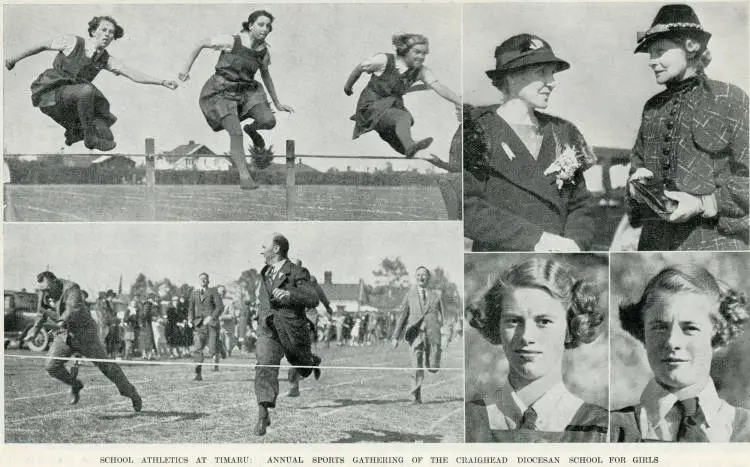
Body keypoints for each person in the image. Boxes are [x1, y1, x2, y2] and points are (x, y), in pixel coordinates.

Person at [624, 4, 749, 251]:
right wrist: (635, 188)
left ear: (691, 47)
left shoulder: (729, 99)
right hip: (654, 245)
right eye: (650, 53)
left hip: (715, 245)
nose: (652, 61)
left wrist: (704, 203)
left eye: (660, 51)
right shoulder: (652, 109)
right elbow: (635, 170)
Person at [463, 34, 597, 252]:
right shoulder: (476, 131)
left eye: (552, 73)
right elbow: (466, 206)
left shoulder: (563, 133)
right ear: (512, 76)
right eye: (542, 72)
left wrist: (574, 243)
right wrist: (536, 239)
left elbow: (580, 204)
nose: (552, 82)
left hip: (562, 254)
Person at [465, 258, 607, 442]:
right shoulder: (466, 422)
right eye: (513, 320)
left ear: (570, 328)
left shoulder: (601, 429)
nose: (526, 336)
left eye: (544, 321)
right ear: (497, 326)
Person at [611, 264, 750, 442]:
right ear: (643, 333)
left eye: (690, 328)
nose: (672, 342)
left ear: (716, 332)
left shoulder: (745, 428)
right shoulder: (610, 430)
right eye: (660, 328)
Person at [4, 16, 177, 151]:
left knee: (107, 136)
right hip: (51, 93)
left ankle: (75, 132)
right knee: (87, 91)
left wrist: (162, 82)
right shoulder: (73, 42)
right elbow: (41, 45)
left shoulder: (105, 58)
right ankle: (86, 135)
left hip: (75, 99)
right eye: (104, 30)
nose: (108, 35)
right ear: (94, 31)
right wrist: (14, 58)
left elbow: (132, 73)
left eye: (111, 33)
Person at [178, 10, 293, 190]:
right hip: (220, 93)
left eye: (269, 26)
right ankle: (245, 177)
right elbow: (201, 43)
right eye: (261, 24)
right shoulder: (232, 41)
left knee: (268, 121)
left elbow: (266, 76)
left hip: (246, 92)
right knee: (235, 133)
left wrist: (277, 103)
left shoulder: (263, 52)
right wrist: (185, 70)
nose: (265, 29)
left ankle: (252, 129)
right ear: (250, 25)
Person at [26, 271, 141, 411]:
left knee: (108, 367)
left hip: (85, 335)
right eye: (43, 290)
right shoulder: (44, 293)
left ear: (55, 282)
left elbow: (71, 310)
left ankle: (131, 393)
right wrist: (34, 330)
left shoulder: (71, 288)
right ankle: (75, 384)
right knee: (51, 366)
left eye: (48, 289)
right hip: (64, 335)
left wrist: (60, 323)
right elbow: (41, 312)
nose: (46, 293)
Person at [345, 33, 461, 158]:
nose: (421, 57)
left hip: (392, 107)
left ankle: (410, 150)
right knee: (402, 118)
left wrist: (459, 101)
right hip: (371, 106)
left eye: (424, 54)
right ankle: (410, 146)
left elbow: (439, 87)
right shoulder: (384, 60)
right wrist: (348, 87)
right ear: (404, 50)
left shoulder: (421, 71)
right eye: (417, 52)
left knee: (399, 128)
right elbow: (359, 68)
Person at [254, 233, 321, 436]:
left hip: (291, 329)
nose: (260, 249)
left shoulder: (296, 271)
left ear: (276, 249)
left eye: (264, 245)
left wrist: (290, 295)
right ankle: (262, 412)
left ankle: (311, 362)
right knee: (264, 364)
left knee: (303, 365)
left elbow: (313, 297)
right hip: (268, 329)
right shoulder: (264, 272)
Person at [391, 266, 444, 404]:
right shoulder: (410, 295)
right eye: (418, 275)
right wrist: (396, 337)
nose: (421, 277)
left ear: (428, 278)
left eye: (424, 275)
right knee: (416, 364)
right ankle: (415, 396)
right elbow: (402, 317)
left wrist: (443, 334)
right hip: (415, 334)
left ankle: (419, 387)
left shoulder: (435, 296)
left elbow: (441, 317)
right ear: (415, 277)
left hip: (431, 335)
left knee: (433, 366)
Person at [188, 273, 224, 380]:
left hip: (212, 325)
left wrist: (211, 317)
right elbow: (190, 308)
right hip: (199, 325)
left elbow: (219, 307)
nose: (203, 281)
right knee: (198, 349)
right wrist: (190, 319)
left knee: (212, 349)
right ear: (199, 281)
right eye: (201, 279)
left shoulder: (213, 292)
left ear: (208, 281)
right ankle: (197, 373)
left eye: (205, 279)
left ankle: (219, 347)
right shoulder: (194, 293)